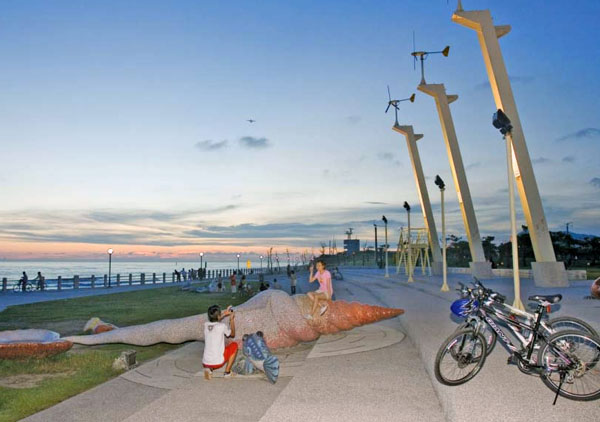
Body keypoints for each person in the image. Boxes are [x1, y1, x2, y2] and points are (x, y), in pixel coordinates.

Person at [202, 304, 238, 379]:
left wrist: (225, 313)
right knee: (234, 345)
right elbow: (233, 334)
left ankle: (209, 369)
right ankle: (227, 372)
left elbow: (216, 319)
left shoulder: (206, 325)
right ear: (218, 316)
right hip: (218, 363)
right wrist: (231, 319)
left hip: (205, 362)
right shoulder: (222, 326)